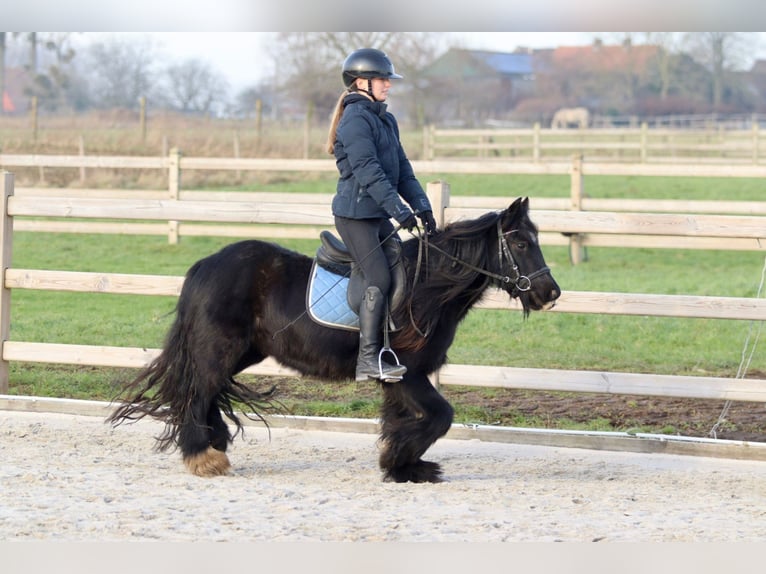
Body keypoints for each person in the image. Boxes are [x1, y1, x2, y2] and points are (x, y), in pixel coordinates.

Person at [326, 47, 437, 383]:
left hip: (376, 215)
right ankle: (367, 360)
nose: (388, 85)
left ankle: (392, 349)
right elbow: (368, 171)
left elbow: (401, 168)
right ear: (361, 82)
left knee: (402, 270)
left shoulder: (385, 120)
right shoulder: (355, 120)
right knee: (379, 278)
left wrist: (421, 205)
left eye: (388, 79)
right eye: (382, 79)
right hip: (355, 217)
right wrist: (398, 210)